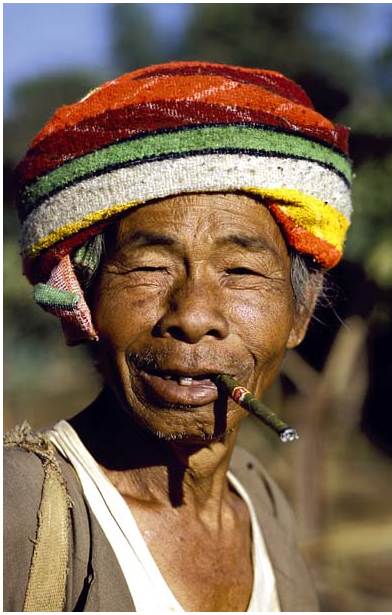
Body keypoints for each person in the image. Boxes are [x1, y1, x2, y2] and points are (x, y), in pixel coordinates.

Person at [4, 61, 352, 612]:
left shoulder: (264, 505)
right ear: (82, 303)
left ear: (300, 313)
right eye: (149, 268)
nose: (192, 316)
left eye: (240, 272)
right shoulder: (18, 513)